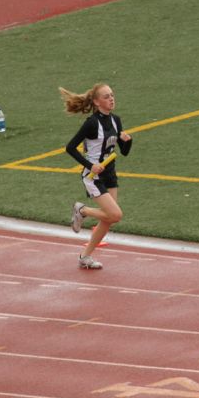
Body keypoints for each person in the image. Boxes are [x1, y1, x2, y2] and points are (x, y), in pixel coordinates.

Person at [61, 83, 132, 270]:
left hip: (110, 173)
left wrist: (127, 141)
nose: (111, 99)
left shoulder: (116, 120)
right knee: (115, 215)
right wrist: (90, 165)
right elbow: (70, 148)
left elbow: (123, 152)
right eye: (107, 96)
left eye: (112, 95)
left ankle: (85, 256)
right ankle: (82, 210)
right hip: (93, 176)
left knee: (109, 220)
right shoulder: (92, 123)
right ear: (96, 102)